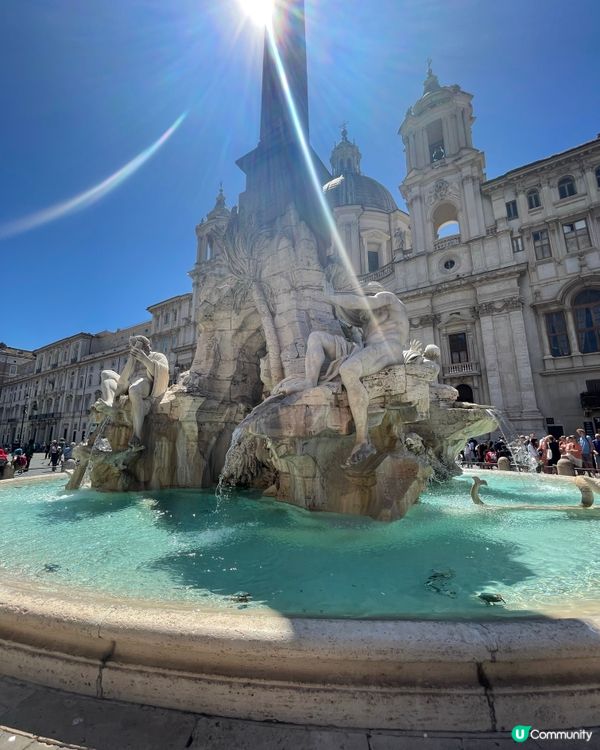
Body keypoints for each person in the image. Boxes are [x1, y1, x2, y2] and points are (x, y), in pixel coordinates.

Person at [281, 283, 410, 465]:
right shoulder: (366, 321)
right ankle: (310, 382)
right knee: (316, 337)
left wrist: (331, 296)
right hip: (367, 350)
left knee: (348, 369)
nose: (363, 315)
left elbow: (363, 303)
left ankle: (362, 439)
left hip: (389, 349)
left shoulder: (389, 299)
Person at [99, 335, 169, 448]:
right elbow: (122, 380)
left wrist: (145, 359)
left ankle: (137, 434)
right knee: (106, 374)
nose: (133, 348)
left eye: (136, 345)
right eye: (132, 346)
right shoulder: (133, 360)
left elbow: (162, 373)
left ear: (145, 346)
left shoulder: (157, 356)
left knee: (134, 390)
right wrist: (131, 360)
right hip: (129, 382)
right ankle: (109, 401)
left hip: (146, 384)